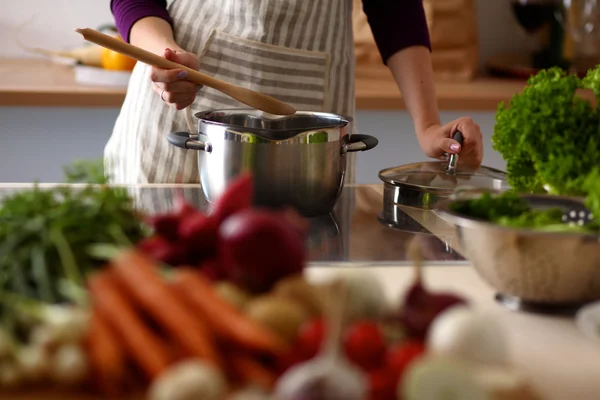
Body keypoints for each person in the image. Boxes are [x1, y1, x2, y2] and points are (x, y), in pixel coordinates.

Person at [106, 0, 484, 184]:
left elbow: (395, 10)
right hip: (172, 101)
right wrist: (162, 55)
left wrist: (428, 125)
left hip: (310, 132)